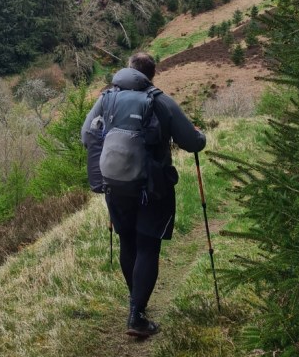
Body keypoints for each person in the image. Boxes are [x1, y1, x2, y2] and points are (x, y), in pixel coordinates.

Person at [80, 52, 206, 339]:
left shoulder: (107, 98)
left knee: (129, 242)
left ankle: (136, 302)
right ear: (151, 74)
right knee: (148, 247)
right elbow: (191, 142)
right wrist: (201, 137)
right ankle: (137, 315)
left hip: (116, 186)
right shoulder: (159, 101)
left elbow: (86, 135)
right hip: (153, 188)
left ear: (128, 70)